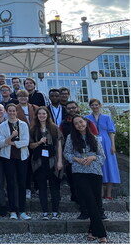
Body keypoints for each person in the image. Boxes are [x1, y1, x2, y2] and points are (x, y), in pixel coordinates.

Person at [64, 116, 107, 244]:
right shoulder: (70, 138)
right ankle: (102, 234)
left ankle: (92, 231)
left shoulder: (94, 137)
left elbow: (102, 156)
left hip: (95, 172)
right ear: (74, 126)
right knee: (89, 200)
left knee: (97, 202)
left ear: (86, 123)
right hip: (79, 172)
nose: (79, 125)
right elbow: (67, 154)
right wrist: (76, 159)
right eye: (76, 123)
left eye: (81, 122)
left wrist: (93, 158)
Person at [29, 106, 64, 220]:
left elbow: (59, 145)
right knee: (42, 188)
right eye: (40, 114)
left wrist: (59, 161)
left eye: (44, 114)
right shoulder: (33, 129)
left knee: (54, 187)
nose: (42, 116)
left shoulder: (54, 128)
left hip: (52, 160)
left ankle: (55, 211)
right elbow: (31, 145)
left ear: (47, 115)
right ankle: (45, 211)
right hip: (39, 161)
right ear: (37, 116)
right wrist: (39, 142)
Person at [0, 104, 31, 220]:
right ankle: (12, 210)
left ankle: (22, 210)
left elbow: (26, 142)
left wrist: (11, 143)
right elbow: (0, 143)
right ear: (6, 112)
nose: (11, 113)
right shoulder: (2, 125)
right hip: (8, 157)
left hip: (22, 157)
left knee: (22, 183)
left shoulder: (23, 125)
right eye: (9, 111)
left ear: (17, 112)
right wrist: (12, 136)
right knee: (10, 184)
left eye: (13, 111)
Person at [86, 99, 120, 199]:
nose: (95, 106)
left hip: (106, 143)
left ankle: (108, 194)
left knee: (109, 167)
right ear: (90, 106)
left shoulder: (107, 118)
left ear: (100, 105)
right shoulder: (87, 118)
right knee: (97, 168)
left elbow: (111, 132)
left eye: (96, 105)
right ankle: (99, 193)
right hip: (93, 144)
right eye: (92, 105)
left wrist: (113, 146)